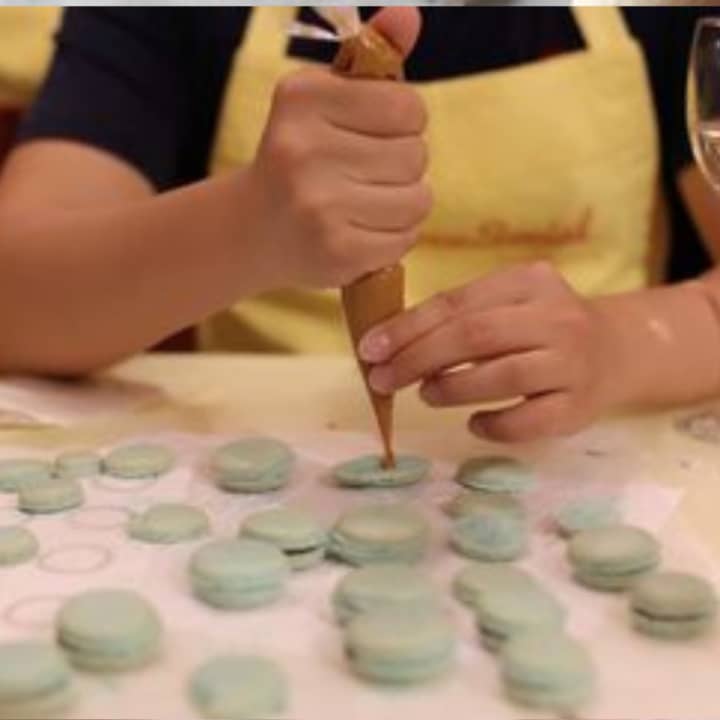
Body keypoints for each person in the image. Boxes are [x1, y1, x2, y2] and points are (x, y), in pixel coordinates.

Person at [0, 6, 718, 442]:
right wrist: (243, 226)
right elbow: (15, 303)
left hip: (586, 458)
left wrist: (623, 344)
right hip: (276, 468)